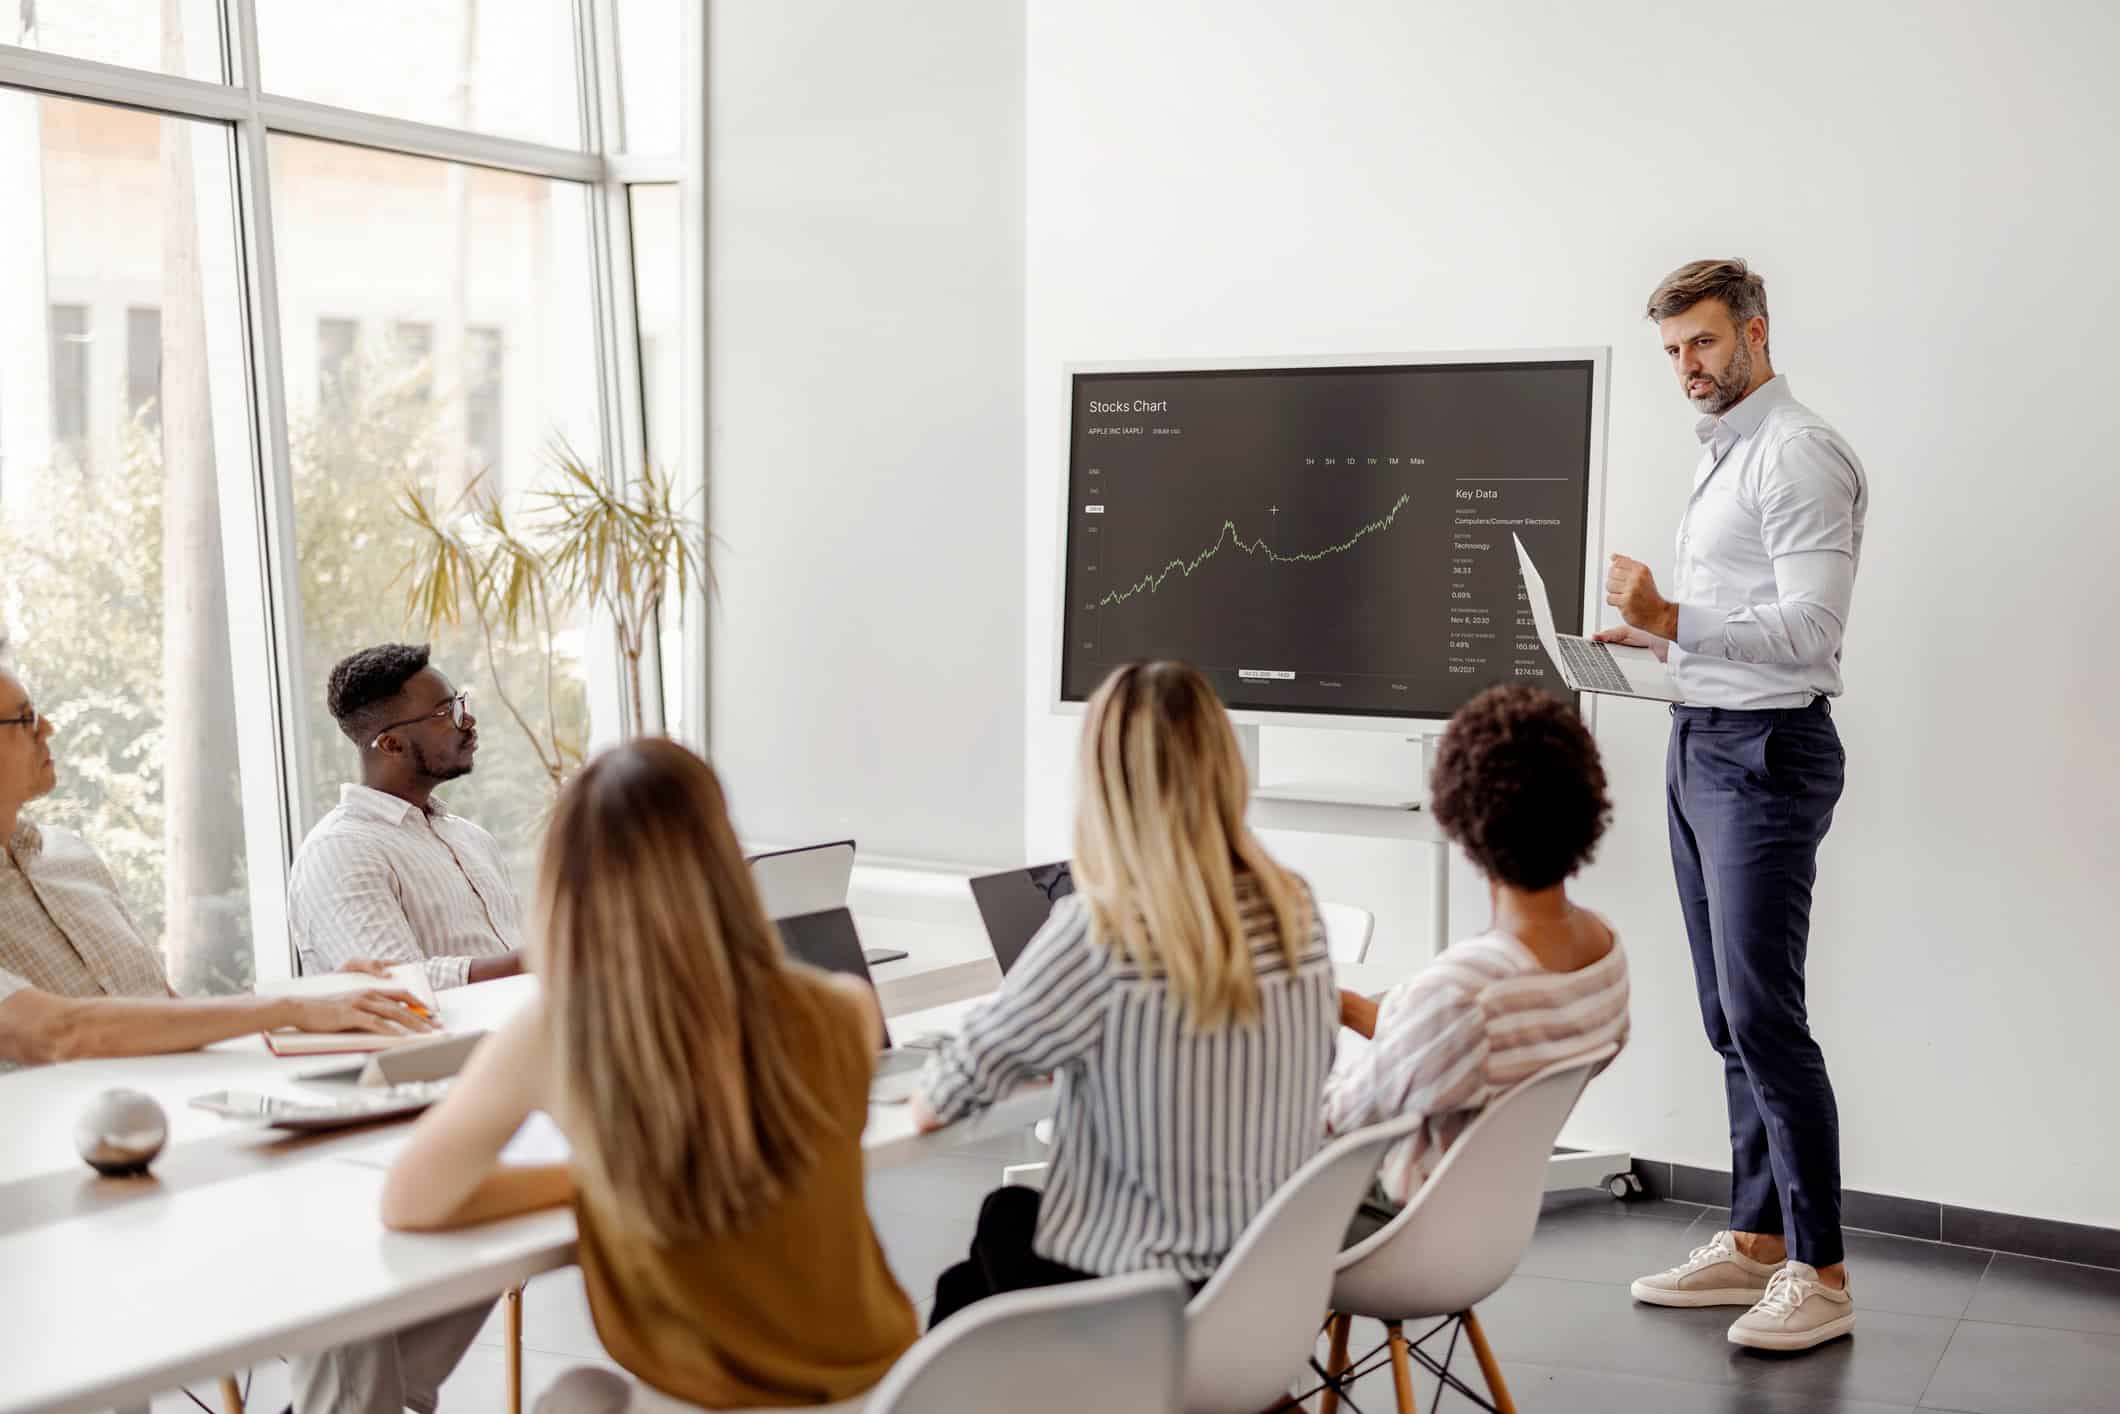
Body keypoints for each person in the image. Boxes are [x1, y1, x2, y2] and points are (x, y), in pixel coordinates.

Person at [379, 738, 917, 1410]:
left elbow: (410, 1202)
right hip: (886, 1391)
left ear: (564, 884)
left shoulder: (556, 1032)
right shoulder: (846, 1009)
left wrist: (609, 1173)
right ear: (726, 861)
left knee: (576, 1395)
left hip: (713, 1402)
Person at [1595, 258, 1867, 1352]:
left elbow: (1810, 631)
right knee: (1722, 1013)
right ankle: (1754, 1239)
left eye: (1701, 344)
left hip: (1763, 751)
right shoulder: (1730, 454)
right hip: (1699, 736)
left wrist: (1674, 612)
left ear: (1752, 333)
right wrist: (1659, 633)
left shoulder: (1795, 455)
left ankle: (1822, 1268)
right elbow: (1733, 616)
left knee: (1764, 1015)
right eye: (1670, 351)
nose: (1685, 368)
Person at [911, 660, 1338, 1326]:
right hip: (1264, 1291)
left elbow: (943, 1097)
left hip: (1138, 1304)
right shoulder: (1295, 911)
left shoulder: (1099, 927)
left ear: (1105, 785)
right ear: (1227, 770)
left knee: (997, 1236)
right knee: (994, 1245)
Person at [0, 661, 433, 1071]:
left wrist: (323, 995)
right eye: (25, 718)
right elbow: (57, 1034)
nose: (48, 728)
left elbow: (167, 1011)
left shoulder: (71, 857)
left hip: (178, 1109)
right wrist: (291, 1008)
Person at [1323, 684, 1630, 1241]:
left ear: (1460, 816)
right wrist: (1348, 1007)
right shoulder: (1604, 952)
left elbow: (1337, 1122)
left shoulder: (1462, 992)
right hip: (1491, 1225)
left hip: (1397, 1225)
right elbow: (1469, 1051)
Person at [288, 643, 524, 989]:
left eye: (460, 703)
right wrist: (538, 959)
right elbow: (395, 985)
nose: (468, 720)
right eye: (447, 713)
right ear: (391, 745)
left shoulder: (472, 838)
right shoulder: (338, 851)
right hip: (444, 1044)